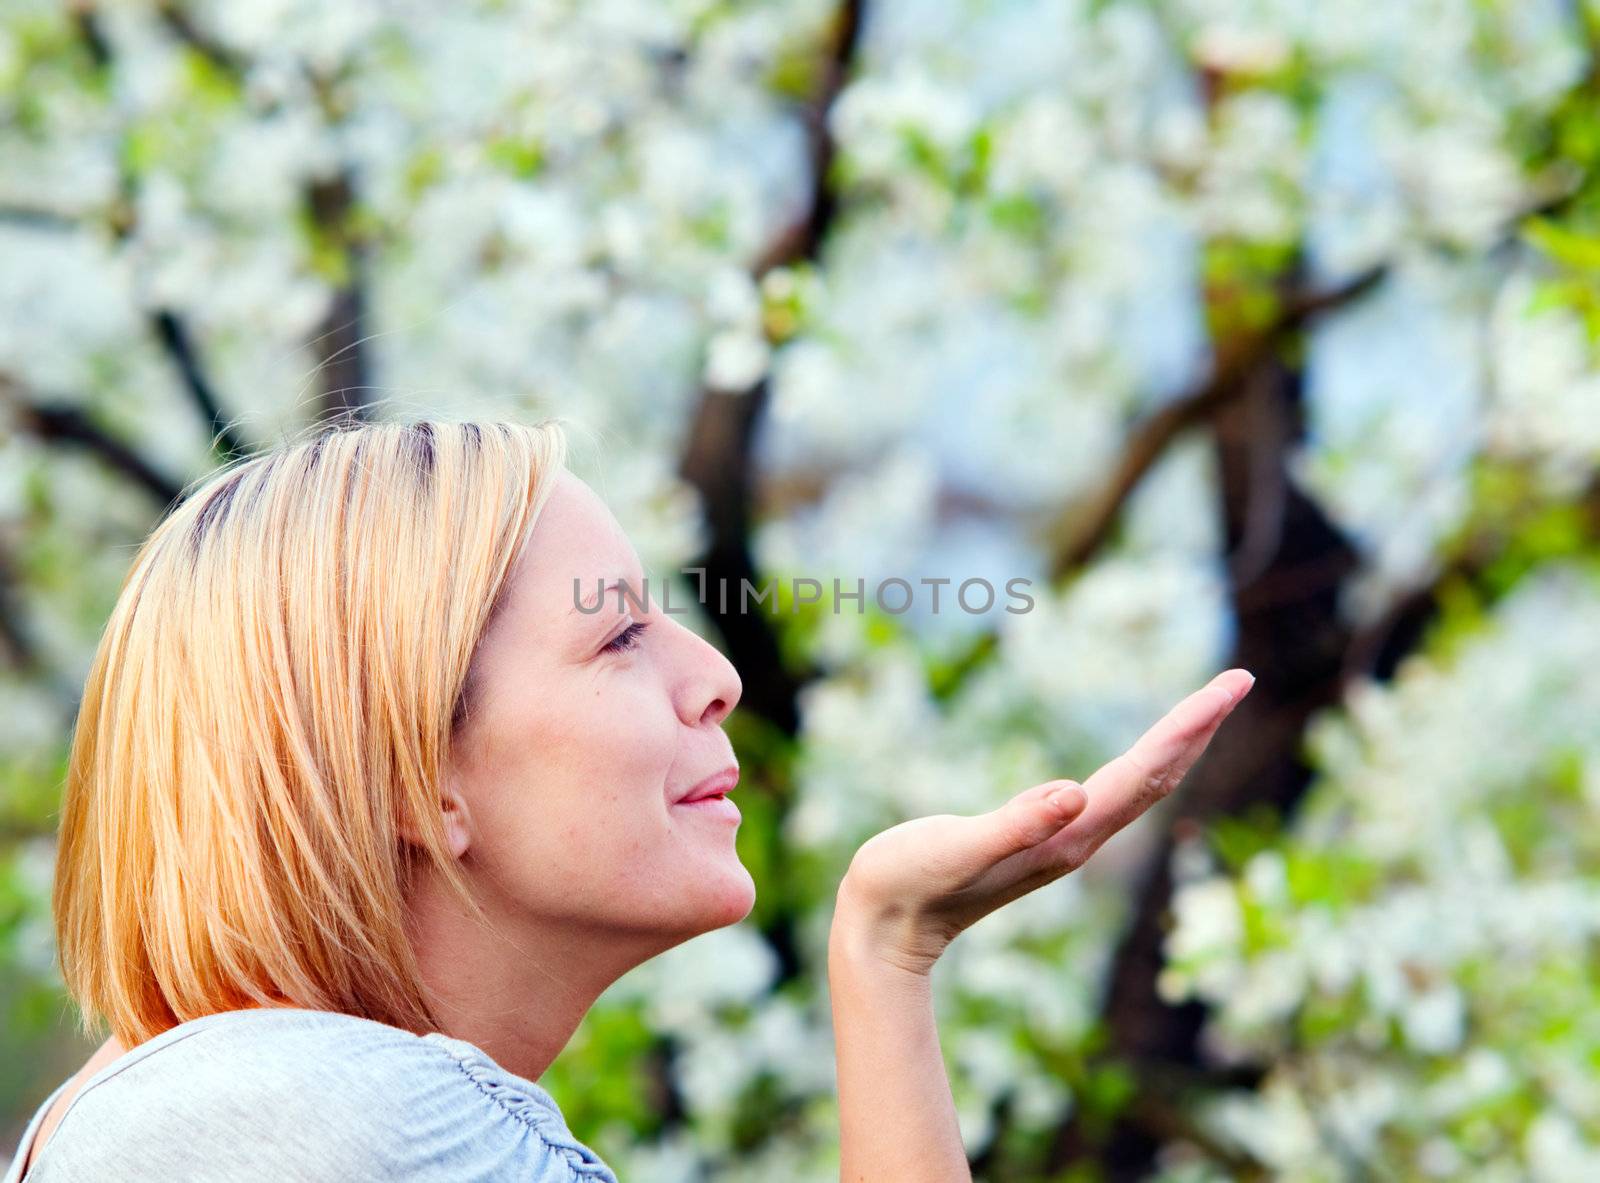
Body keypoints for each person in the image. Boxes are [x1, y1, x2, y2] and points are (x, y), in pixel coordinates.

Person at [4, 418, 1253, 1182]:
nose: (712, 677)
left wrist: (889, 948)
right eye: (615, 640)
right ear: (409, 774)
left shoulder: (231, 1108)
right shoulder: (336, 1123)